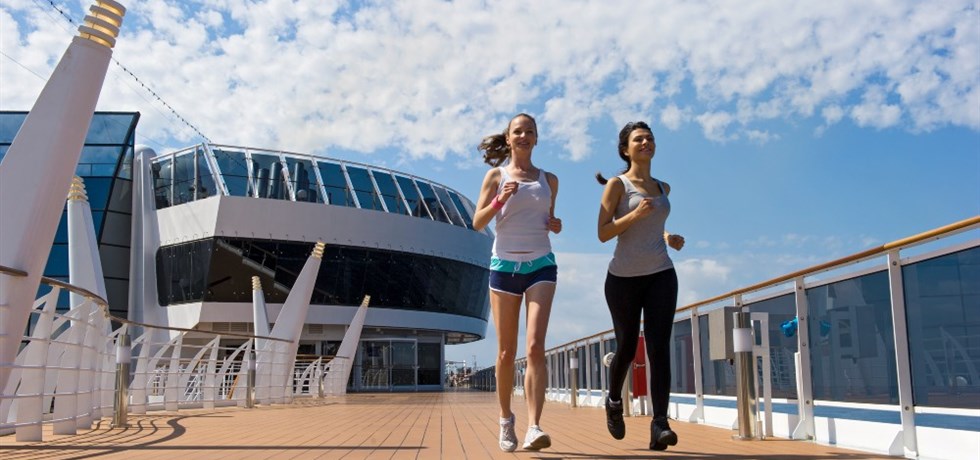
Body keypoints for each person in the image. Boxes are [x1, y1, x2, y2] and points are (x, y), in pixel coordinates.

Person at [472, 113, 562, 452]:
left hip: (541, 264)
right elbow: (478, 222)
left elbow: (547, 219)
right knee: (507, 352)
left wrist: (555, 224)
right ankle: (505, 419)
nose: (524, 136)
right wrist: (500, 200)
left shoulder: (549, 180)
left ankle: (534, 427)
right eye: (518, 131)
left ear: (536, 138)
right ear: (508, 138)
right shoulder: (496, 176)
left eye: (530, 131)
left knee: (535, 346)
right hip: (504, 266)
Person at [596, 121, 685, 451]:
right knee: (627, 346)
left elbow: (653, 224)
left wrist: (667, 236)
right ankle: (614, 401)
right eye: (639, 139)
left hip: (661, 273)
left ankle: (660, 423)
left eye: (649, 138)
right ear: (626, 149)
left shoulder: (663, 187)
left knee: (659, 348)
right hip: (622, 280)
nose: (646, 142)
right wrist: (634, 216)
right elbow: (603, 233)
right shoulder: (617, 186)